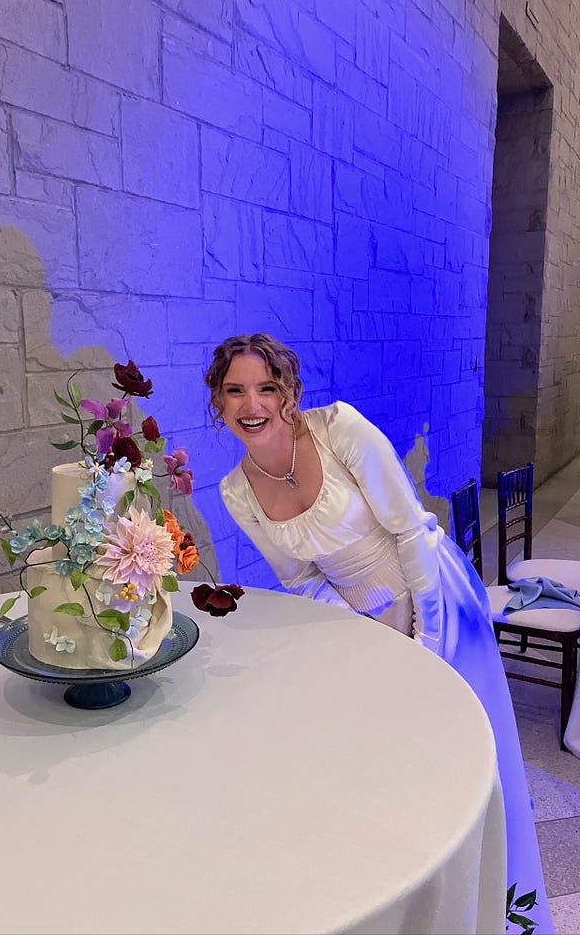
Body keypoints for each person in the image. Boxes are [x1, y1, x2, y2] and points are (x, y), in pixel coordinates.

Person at [205, 332, 553, 935]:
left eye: (266, 386)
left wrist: (425, 637)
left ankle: (495, 912)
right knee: (399, 768)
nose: (250, 402)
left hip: (434, 596)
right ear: (218, 400)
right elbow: (301, 580)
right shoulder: (236, 491)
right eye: (233, 390)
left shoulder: (339, 429)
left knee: (470, 758)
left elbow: (411, 529)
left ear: (290, 390)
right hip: (364, 622)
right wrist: (366, 637)